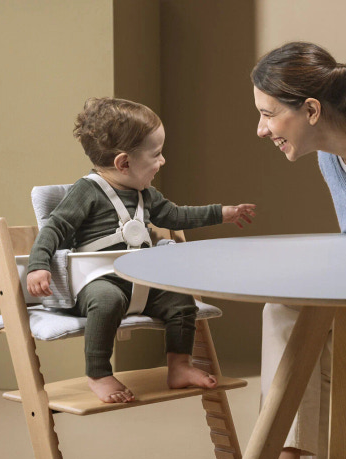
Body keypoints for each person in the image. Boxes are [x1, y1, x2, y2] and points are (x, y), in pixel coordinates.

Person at [27, 97, 256, 404]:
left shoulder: (146, 194)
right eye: (157, 154)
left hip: (142, 281)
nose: (163, 161)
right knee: (106, 301)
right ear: (124, 163)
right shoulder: (87, 192)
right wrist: (38, 265)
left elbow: (176, 216)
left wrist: (222, 213)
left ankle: (179, 365)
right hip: (98, 281)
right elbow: (54, 229)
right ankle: (98, 373)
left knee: (181, 301)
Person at [251, 42, 346, 459]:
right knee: (291, 325)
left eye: (268, 113)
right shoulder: (330, 161)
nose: (260, 130)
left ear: (311, 110)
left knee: (303, 350)